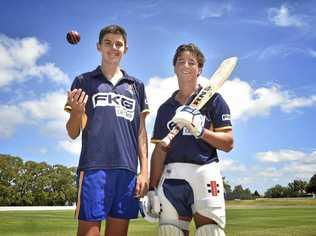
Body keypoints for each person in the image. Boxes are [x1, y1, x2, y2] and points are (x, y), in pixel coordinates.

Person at [65, 24, 149, 236]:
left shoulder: (136, 86)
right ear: (98, 47)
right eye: (108, 43)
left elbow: (140, 131)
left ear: (126, 49)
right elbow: (73, 132)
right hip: (94, 168)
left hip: (127, 170)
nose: (113, 47)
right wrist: (76, 112)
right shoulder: (83, 81)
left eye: (119, 44)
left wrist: (145, 171)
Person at [148, 43, 233, 236]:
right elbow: (159, 151)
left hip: (204, 171)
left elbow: (228, 143)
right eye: (180, 61)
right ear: (175, 68)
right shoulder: (165, 109)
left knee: (210, 232)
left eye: (191, 62)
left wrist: (200, 130)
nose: (185, 65)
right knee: (169, 231)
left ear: (199, 69)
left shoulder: (215, 101)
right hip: (172, 176)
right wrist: (152, 188)